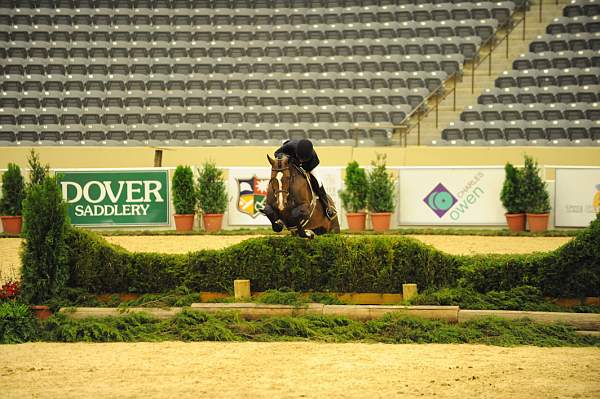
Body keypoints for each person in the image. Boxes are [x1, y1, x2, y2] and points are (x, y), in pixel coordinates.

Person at [274, 138, 337, 220]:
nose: (301, 160)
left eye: (303, 159)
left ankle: (327, 207)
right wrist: (288, 158)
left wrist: (304, 169)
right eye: (300, 158)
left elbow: (307, 169)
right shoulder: (290, 146)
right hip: (291, 162)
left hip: (308, 165)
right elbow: (276, 153)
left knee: (318, 181)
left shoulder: (313, 157)